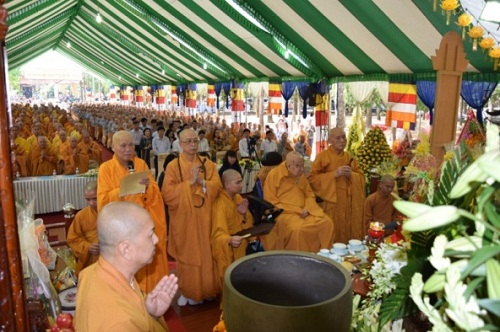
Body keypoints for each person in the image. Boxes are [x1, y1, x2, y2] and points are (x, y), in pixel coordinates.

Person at [75, 202, 178, 331]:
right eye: (150, 234)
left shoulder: (90, 273)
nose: (156, 239)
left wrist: (149, 313)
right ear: (126, 249)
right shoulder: (119, 324)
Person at [97, 130, 168, 294]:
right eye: (123, 145)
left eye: (130, 145)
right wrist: (123, 189)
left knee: (145, 260)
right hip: (122, 229)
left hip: (140, 224)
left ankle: (149, 294)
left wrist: (147, 187)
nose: (128, 149)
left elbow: (155, 194)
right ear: (112, 147)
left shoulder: (140, 164)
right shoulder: (105, 169)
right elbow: (103, 200)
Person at [162, 128, 222, 306]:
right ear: (180, 144)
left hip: (206, 218)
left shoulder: (207, 163)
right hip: (184, 220)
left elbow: (217, 186)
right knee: (188, 256)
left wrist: (202, 182)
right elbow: (168, 194)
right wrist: (190, 182)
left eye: (195, 141)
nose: (193, 145)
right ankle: (189, 291)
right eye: (188, 141)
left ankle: (209, 289)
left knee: (208, 254)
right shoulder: (173, 166)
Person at [263, 152, 334, 252]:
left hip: (307, 210)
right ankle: (299, 260)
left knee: (327, 223)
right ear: (289, 165)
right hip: (284, 212)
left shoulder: (300, 175)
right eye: (298, 166)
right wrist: (297, 210)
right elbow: (271, 202)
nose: (302, 169)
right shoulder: (274, 175)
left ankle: (324, 255)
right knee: (299, 230)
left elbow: (309, 194)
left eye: (302, 165)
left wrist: (308, 208)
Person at [308, 127, 366, 243]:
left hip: (348, 202)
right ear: (329, 140)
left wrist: (352, 176)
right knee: (332, 230)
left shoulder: (349, 157)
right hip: (331, 201)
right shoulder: (322, 157)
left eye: (344, 137)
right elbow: (312, 179)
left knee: (348, 229)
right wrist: (333, 174)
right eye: (338, 138)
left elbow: (361, 177)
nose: (342, 141)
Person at [211, 169, 253, 288]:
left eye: (241, 182)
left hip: (241, 246)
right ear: (227, 185)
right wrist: (229, 240)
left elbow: (247, 223)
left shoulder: (237, 198)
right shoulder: (220, 205)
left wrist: (244, 214)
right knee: (231, 283)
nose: (241, 185)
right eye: (237, 183)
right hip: (229, 249)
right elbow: (217, 235)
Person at [67, 180, 99, 275]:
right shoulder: (81, 216)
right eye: (88, 200)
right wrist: (88, 247)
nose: (91, 203)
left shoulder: (111, 212)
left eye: (94, 199)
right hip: (90, 261)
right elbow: (72, 239)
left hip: (110, 259)